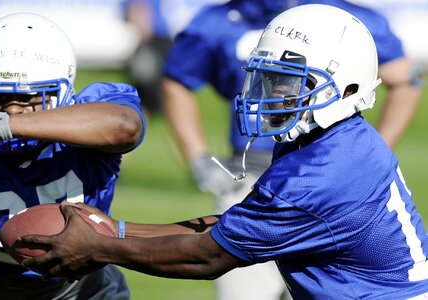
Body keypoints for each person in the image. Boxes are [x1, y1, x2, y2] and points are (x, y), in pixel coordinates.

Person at [20, 4, 428, 299]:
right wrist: (117, 228)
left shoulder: (323, 172)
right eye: (268, 80)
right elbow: (232, 224)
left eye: (287, 83)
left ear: (349, 88)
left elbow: (209, 255)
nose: (271, 95)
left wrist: (101, 248)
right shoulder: (330, 141)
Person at [162, 1, 422, 298]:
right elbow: (177, 79)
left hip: (326, 185)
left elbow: (406, 79)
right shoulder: (219, 20)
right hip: (251, 176)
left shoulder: (341, 21)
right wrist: (197, 154)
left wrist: (362, 161)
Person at [0, 12, 146, 299]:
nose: (12, 110)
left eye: (32, 99)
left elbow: (125, 127)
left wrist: (7, 128)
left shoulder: (91, 114)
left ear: (63, 94)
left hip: (83, 290)